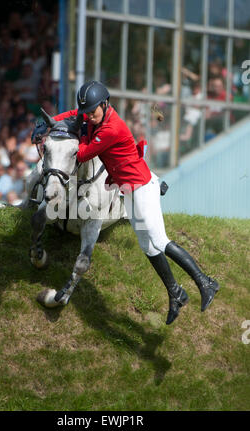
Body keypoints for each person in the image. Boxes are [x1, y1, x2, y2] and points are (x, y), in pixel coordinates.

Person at [38, 80, 220, 325]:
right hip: (127, 190)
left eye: (93, 111)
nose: (89, 117)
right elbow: (75, 114)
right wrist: (49, 123)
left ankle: (206, 282)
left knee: (160, 241)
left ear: (105, 104)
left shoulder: (110, 129)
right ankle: (176, 293)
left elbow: (81, 154)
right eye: (87, 113)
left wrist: (68, 133)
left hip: (142, 188)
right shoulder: (95, 117)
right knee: (147, 247)